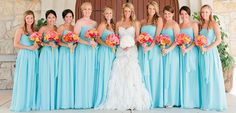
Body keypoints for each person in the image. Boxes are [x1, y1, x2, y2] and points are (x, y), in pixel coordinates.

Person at [99, 3, 151, 111]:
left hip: (131, 50)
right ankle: (118, 100)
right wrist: (119, 43)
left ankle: (132, 100)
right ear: (123, 12)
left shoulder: (135, 23)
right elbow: (117, 37)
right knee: (119, 72)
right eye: (125, 11)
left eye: (129, 11)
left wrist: (130, 44)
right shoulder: (118, 23)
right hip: (121, 50)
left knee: (131, 72)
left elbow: (137, 37)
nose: (127, 13)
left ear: (132, 12)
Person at [10, 10, 39, 112]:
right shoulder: (20, 30)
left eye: (31, 18)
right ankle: (21, 103)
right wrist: (29, 47)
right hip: (24, 56)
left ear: (34, 19)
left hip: (33, 56)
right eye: (28, 18)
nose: (30, 20)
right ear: (24, 19)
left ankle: (30, 103)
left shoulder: (35, 31)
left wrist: (36, 46)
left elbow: (37, 44)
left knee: (32, 78)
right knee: (23, 78)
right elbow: (16, 44)